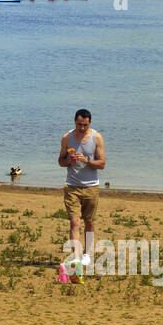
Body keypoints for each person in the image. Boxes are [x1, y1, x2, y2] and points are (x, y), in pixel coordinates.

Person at [57, 109, 106, 272]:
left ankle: (87, 254)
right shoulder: (67, 138)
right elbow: (60, 161)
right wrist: (68, 160)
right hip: (72, 186)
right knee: (74, 221)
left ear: (89, 123)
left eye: (85, 125)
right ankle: (76, 257)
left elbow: (102, 163)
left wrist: (86, 160)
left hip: (91, 186)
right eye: (79, 124)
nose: (82, 128)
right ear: (74, 122)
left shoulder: (96, 137)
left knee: (89, 222)